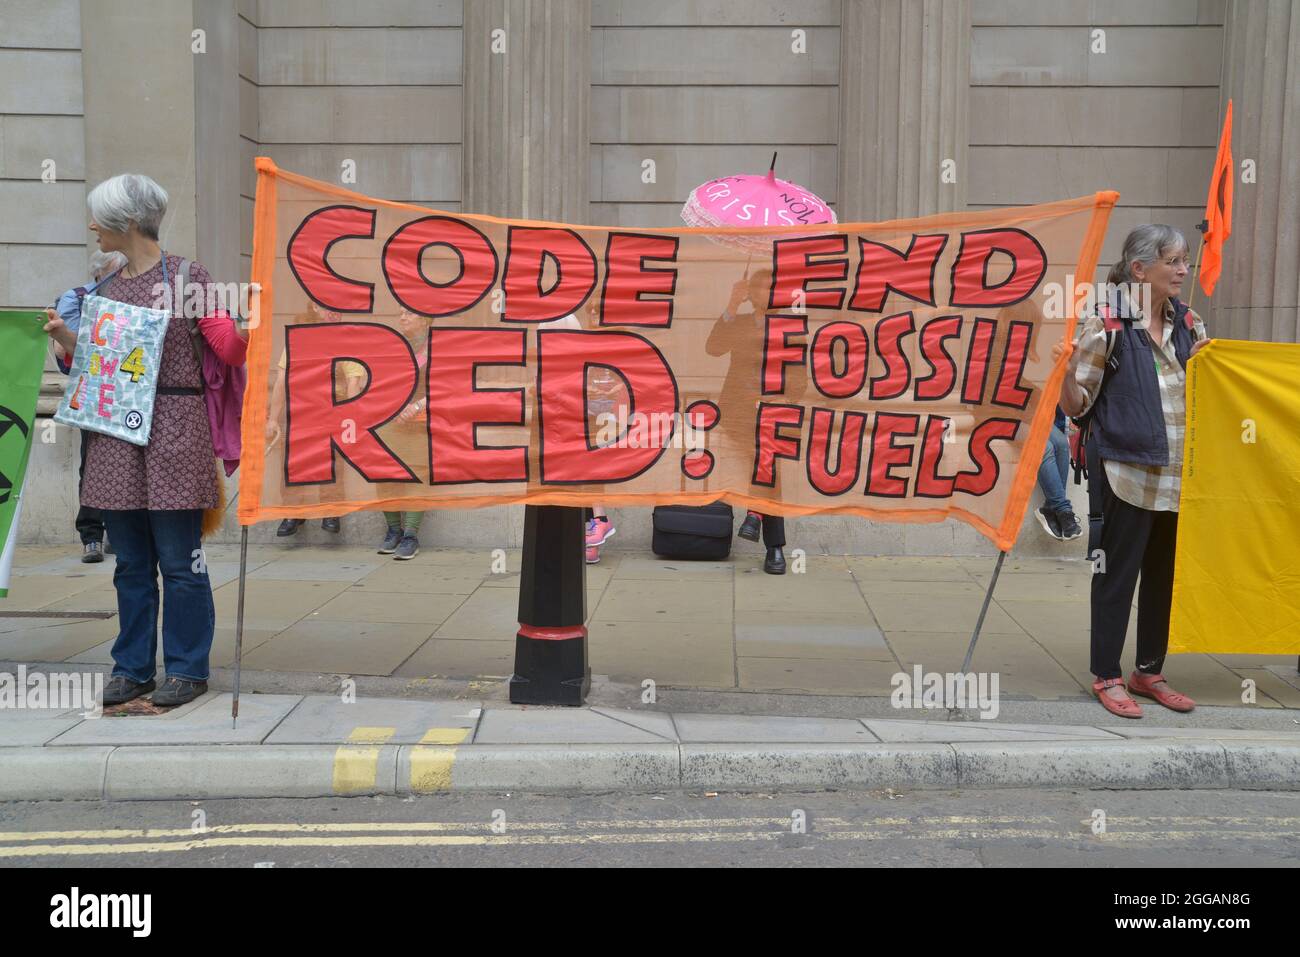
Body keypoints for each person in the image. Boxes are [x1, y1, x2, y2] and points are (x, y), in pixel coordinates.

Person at [41, 173, 248, 707]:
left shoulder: (188, 277)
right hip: (115, 441)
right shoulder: (104, 288)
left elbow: (227, 347)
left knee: (181, 563)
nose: (92, 227)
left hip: (176, 433)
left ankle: (187, 669)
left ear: (127, 222)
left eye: (99, 219)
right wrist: (67, 340)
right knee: (131, 564)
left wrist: (251, 325)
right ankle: (132, 668)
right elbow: (90, 366)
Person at [1055, 224, 1209, 719]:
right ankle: (1107, 675)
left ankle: (1148, 671)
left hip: (1178, 476)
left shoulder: (1191, 324)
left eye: (1186, 261)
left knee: (1164, 577)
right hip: (1123, 471)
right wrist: (1061, 373)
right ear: (1140, 269)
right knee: (1116, 575)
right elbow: (1079, 407)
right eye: (1174, 262)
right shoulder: (1107, 325)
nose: (1184, 270)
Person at [707, 269, 799, 574]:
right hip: (739, 409)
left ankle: (758, 522)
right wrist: (732, 305)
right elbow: (714, 348)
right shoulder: (741, 322)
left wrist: (787, 398)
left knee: (766, 456)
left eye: (771, 289)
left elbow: (800, 376)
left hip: (774, 410)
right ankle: (771, 541)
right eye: (758, 289)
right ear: (750, 293)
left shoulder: (790, 328)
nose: (765, 294)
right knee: (766, 459)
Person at [52, 250, 128, 562]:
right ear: (100, 272)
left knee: (126, 466)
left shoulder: (134, 299)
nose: (123, 276)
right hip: (92, 394)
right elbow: (64, 349)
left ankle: (120, 532)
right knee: (93, 463)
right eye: (117, 271)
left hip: (126, 392)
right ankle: (91, 535)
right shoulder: (76, 297)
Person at [264, 301, 361, 537]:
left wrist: (352, 417)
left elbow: (353, 382)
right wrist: (273, 419)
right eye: (325, 305)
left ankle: (331, 510)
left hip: (333, 410)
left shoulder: (347, 342)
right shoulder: (297, 340)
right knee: (293, 464)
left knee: (333, 464)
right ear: (314, 309)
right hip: (300, 410)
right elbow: (281, 381)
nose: (333, 309)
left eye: (336, 305)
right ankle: (293, 512)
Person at [378, 309, 432, 559]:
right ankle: (393, 531)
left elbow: (448, 386)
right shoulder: (394, 347)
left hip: (420, 422)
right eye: (399, 313)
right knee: (384, 474)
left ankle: (410, 536)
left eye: (408, 314)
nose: (402, 318)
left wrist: (416, 406)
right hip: (391, 420)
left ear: (425, 320)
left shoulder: (437, 349)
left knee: (416, 475)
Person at [1034, 405, 1083, 541]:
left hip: (1036, 415)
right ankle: (1063, 510)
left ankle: (1051, 508)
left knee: (1062, 443)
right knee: (1045, 448)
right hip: (1010, 417)